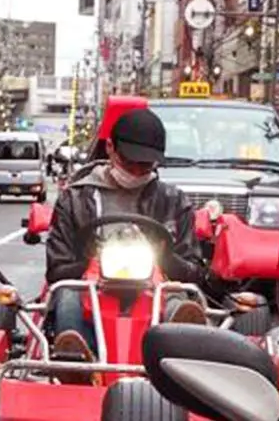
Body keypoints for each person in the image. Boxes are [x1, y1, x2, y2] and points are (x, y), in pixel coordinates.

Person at [41, 107, 210, 385]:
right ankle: (77, 363)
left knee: (177, 299)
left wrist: (166, 257)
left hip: (155, 285)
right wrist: (90, 259)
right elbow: (57, 270)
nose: (136, 171)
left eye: (145, 166)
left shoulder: (173, 200)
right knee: (68, 298)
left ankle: (179, 359)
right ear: (110, 149)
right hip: (92, 283)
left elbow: (194, 271)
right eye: (130, 163)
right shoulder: (76, 197)